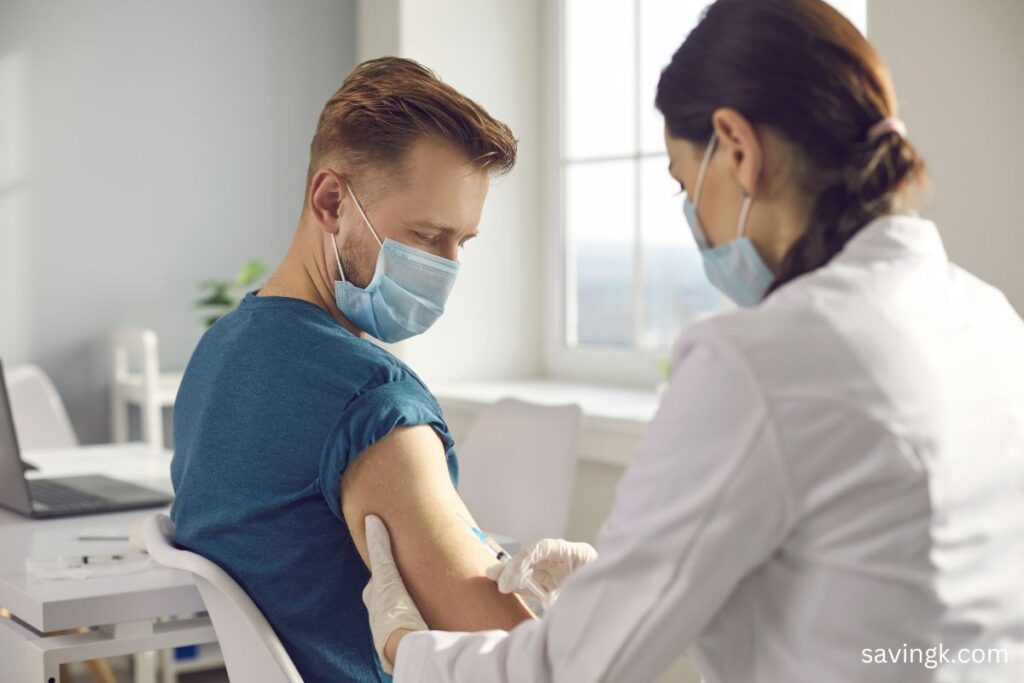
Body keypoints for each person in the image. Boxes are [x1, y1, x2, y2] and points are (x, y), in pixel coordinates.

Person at [360, 1, 1024, 681]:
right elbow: (865, 587)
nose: (693, 219)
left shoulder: (759, 359)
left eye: (684, 182)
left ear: (737, 147)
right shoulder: (991, 320)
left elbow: (565, 670)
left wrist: (405, 645)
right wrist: (625, 583)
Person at [170, 57, 535, 683]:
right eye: (426, 236)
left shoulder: (217, 353)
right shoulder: (372, 404)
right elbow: (529, 669)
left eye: (462, 244)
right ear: (332, 200)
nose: (448, 269)